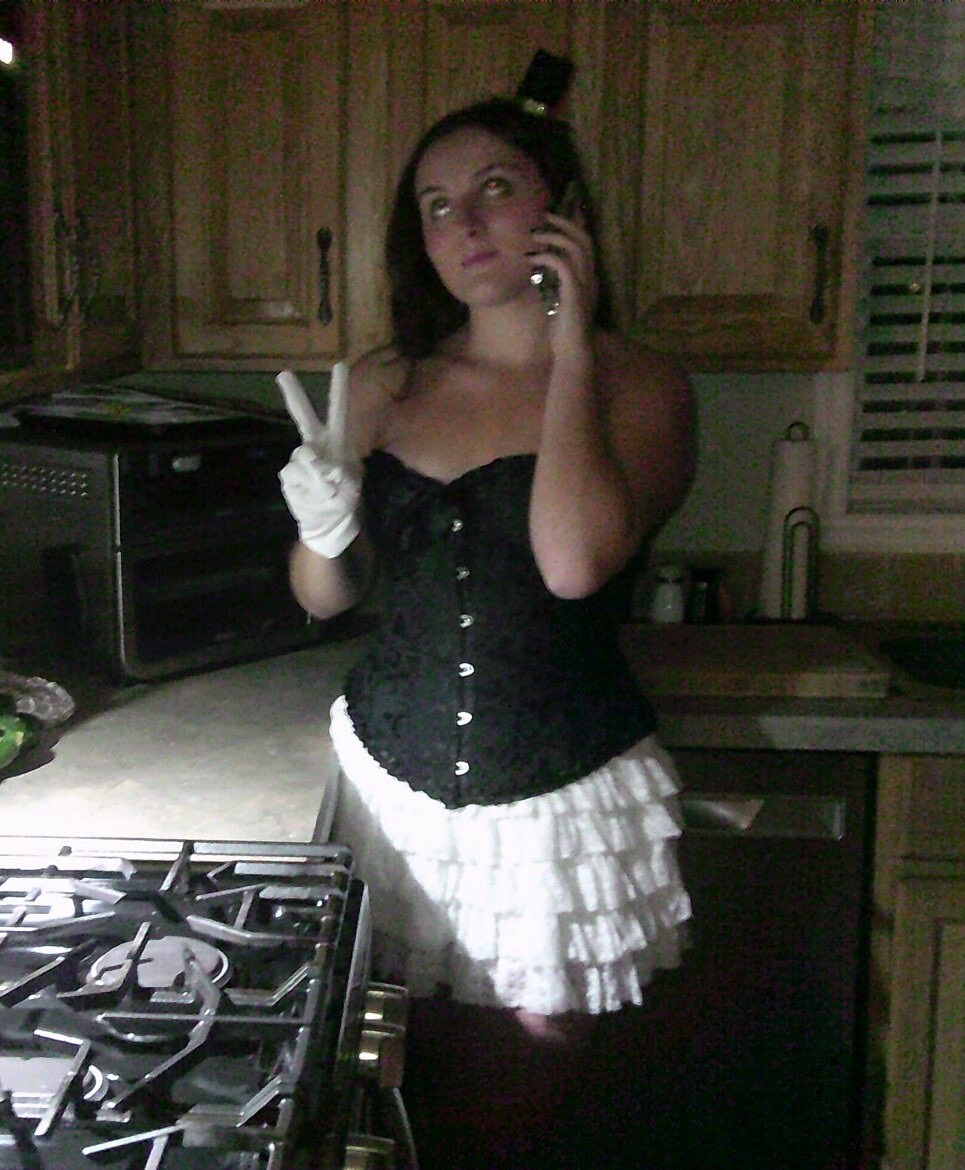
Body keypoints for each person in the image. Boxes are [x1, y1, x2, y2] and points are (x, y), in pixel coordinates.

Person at [277, 94, 696, 1169]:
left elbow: (574, 562)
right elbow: (325, 597)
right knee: (392, 1078)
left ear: (564, 209)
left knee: (532, 1079)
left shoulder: (643, 384)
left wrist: (570, 350)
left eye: (495, 190)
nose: (463, 224)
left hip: (560, 793)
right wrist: (323, 525)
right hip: (390, 787)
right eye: (435, 206)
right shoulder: (384, 383)